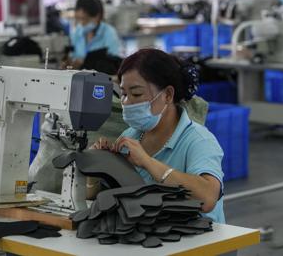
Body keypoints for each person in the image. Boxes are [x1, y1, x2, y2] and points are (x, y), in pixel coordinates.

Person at [91, 48, 225, 223]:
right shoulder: (131, 136)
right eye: (124, 94)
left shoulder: (199, 140)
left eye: (136, 94)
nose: (126, 102)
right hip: (153, 233)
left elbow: (207, 198)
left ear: (168, 95)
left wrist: (147, 162)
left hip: (201, 241)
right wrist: (97, 168)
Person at [66, 0, 121, 69]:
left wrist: (85, 63)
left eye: (85, 19)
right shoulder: (77, 32)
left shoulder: (109, 33)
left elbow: (114, 62)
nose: (82, 23)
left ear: (97, 16)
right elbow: (71, 55)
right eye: (79, 19)